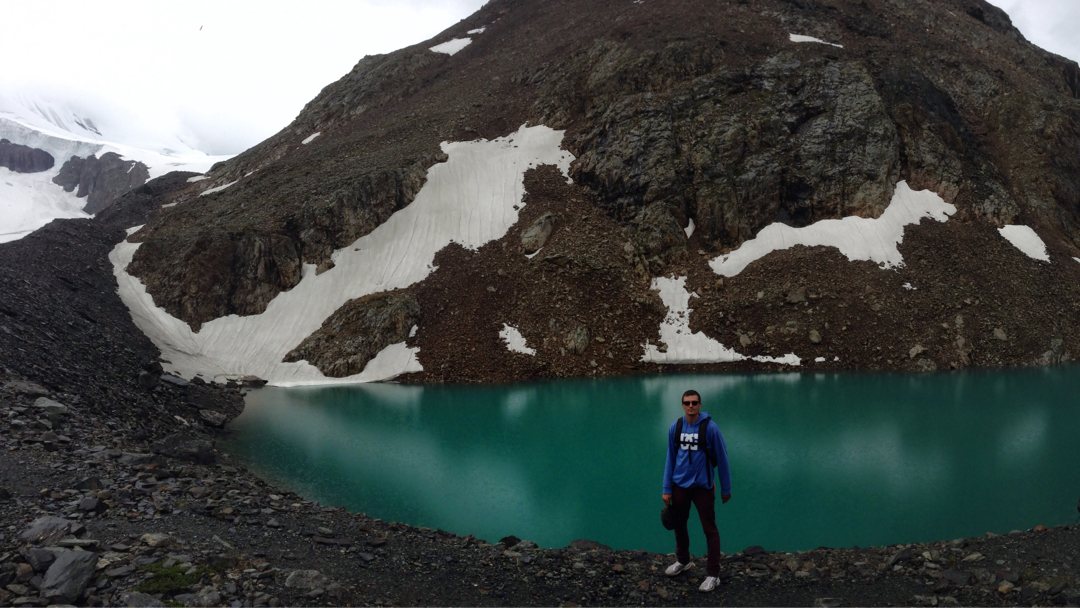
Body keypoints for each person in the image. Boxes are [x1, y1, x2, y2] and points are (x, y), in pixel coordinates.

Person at [661, 389, 731, 592]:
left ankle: (713, 574)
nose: (691, 406)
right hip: (680, 485)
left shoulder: (711, 429)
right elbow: (670, 459)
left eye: (694, 402)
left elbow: (723, 458)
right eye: (687, 402)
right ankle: (683, 561)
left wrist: (726, 488)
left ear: (700, 405)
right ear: (682, 405)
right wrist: (667, 488)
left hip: (703, 486)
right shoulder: (676, 427)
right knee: (679, 524)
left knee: (710, 529)